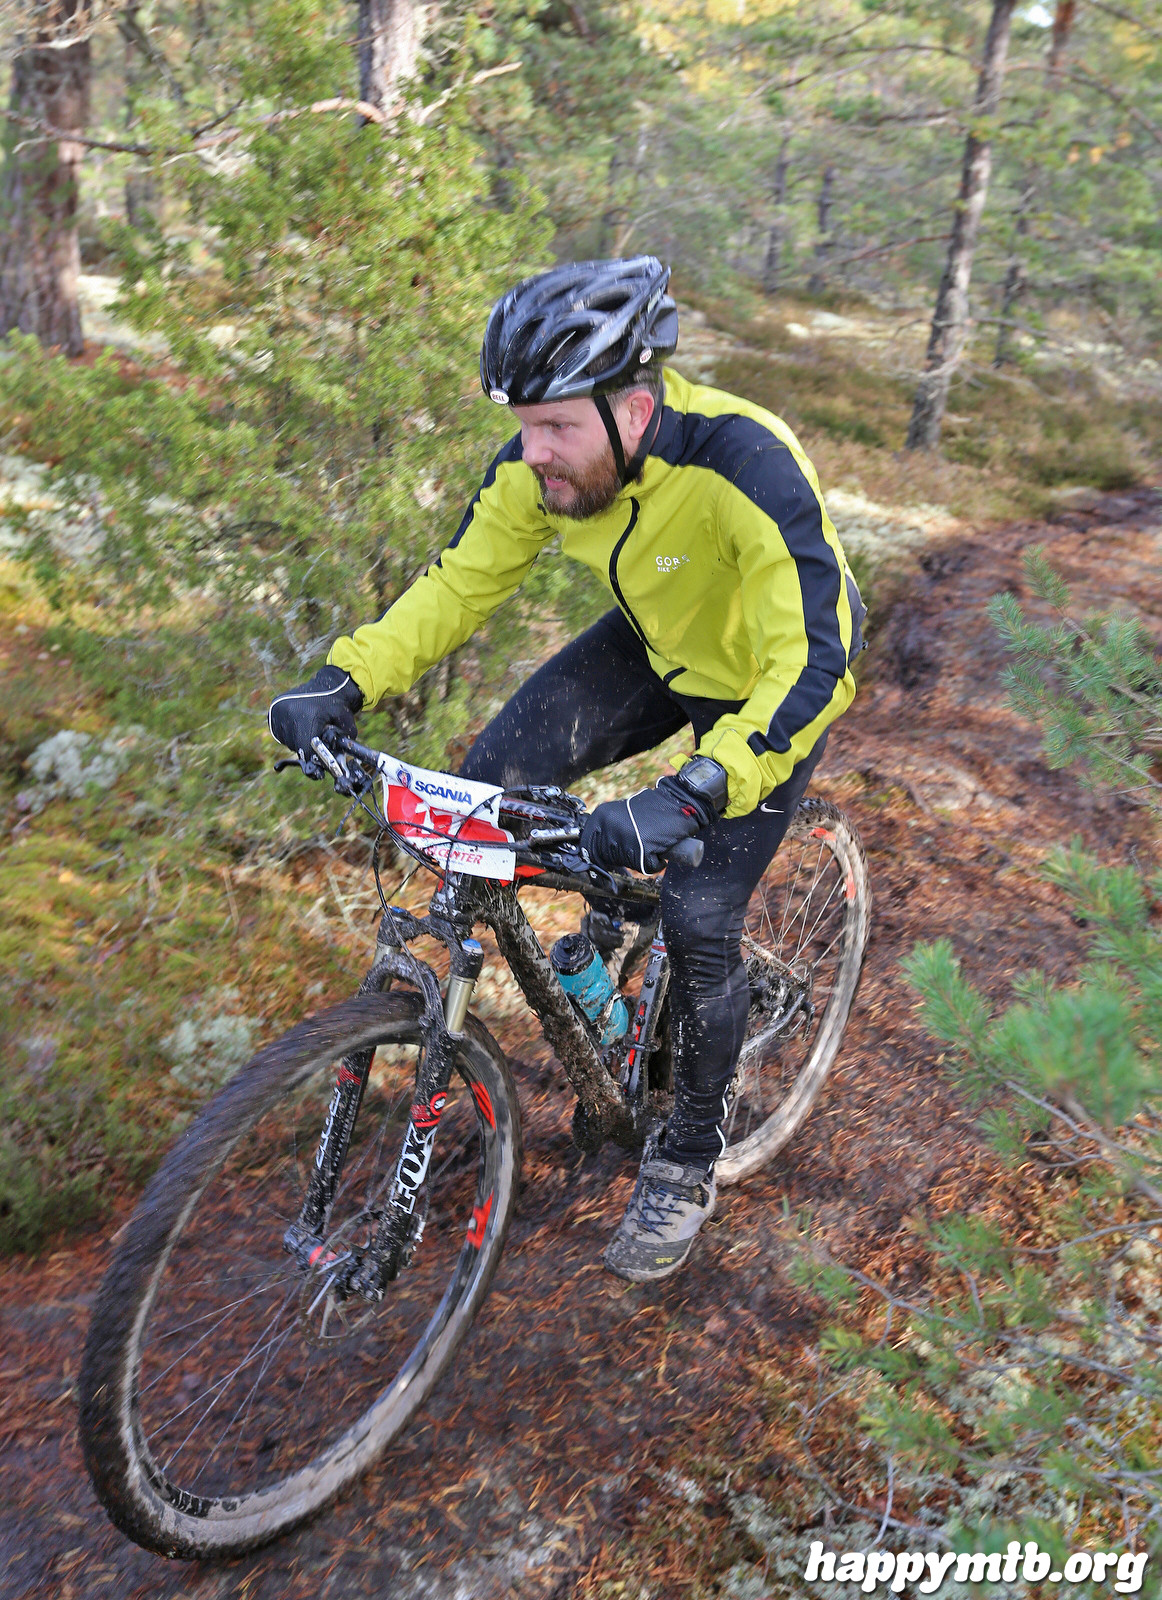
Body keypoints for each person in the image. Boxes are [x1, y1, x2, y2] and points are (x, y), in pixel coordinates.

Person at [269, 256, 863, 1283]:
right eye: (520, 422)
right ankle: (600, 963)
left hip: (768, 692)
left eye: (553, 425)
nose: (531, 449)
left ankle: (684, 1156)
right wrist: (343, 679)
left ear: (635, 410)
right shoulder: (538, 470)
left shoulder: (745, 463)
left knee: (700, 918)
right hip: (656, 649)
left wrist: (697, 790)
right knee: (484, 791)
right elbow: (456, 585)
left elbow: (817, 659)